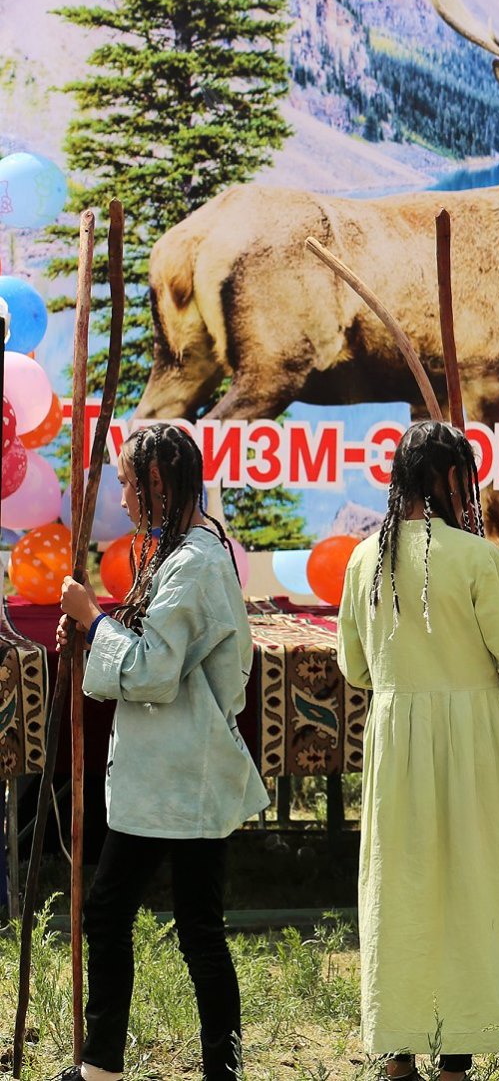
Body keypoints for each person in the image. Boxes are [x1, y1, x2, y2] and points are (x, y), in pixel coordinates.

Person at [53, 423, 270, 1081]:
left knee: (171, 921)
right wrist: (93, 634)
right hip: (168, 770)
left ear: (158, 483)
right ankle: (110, 1066)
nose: (121, 494)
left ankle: (142, 1068)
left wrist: (94, 624)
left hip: (184, 771)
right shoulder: (177, 553)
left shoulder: (197, 559)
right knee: (156, 916)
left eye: (128, 481)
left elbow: (152, 668)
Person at [339, 422, 499, 1079]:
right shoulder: (477, 558)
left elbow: (354, 666)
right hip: (474, 742)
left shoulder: (363, 559)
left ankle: (397, 1057)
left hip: (396, 738)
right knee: (471, 890)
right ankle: (456, 1060)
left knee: (399, 892)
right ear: (454, 479)